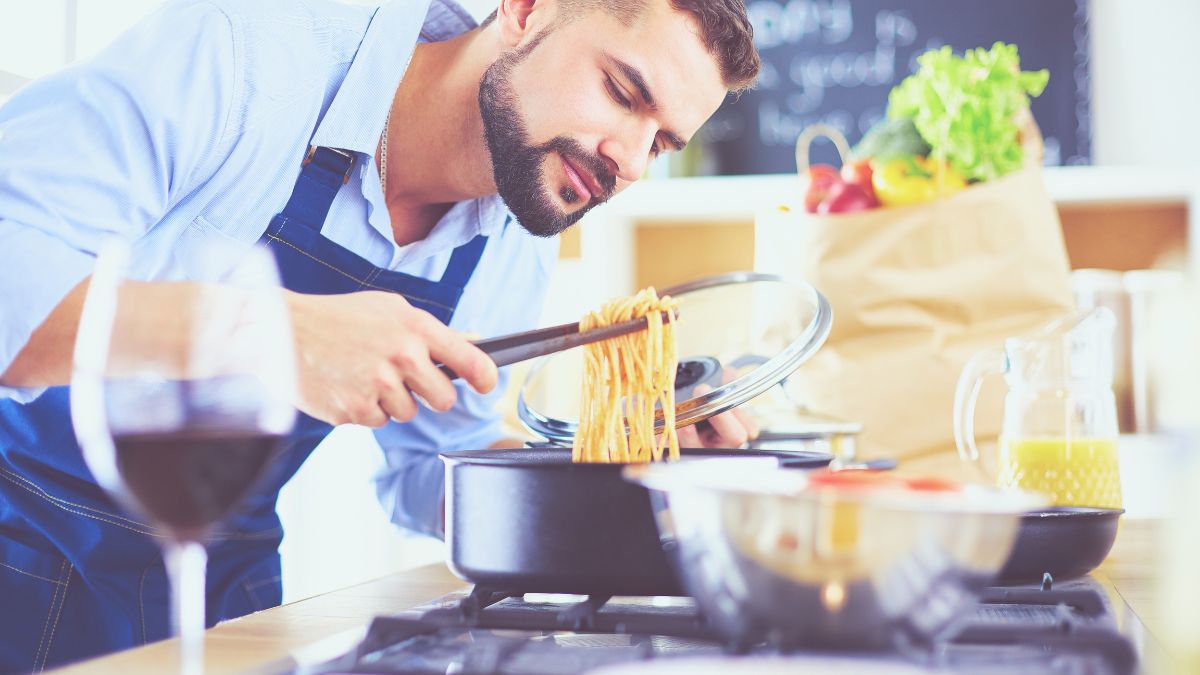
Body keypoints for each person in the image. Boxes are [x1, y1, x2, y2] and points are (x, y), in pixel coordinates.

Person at [0, 0, 761, 669]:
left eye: (660, 143)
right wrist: (267, 334)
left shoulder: (514, 235)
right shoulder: (246, 50)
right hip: (22, 536)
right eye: (622, 92)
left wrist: (628, 468)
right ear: (526, 9)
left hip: (226, 579)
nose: (628, 159)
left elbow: (431, 465)